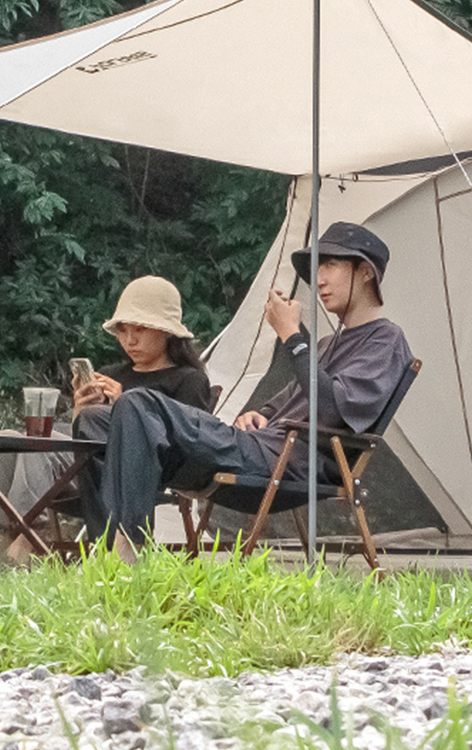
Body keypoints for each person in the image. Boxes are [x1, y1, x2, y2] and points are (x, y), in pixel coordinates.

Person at [75, 221, 413, 562]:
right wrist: (261, 413)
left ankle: (126, 557)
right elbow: (283, 403)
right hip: (258, 448)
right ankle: (102, 552)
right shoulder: (327, 346)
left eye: (331, 264)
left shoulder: (385, 340)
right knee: (93, 421)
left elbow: (331, 410)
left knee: (136, 403)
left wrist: (292, 337)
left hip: (280, 463)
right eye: (317, 266)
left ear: (366, 271)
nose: (319, 278)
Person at [0, 275, 211, 543]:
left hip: (136, 471)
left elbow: (190, 445)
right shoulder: (110, 374)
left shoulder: (187, 379)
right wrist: (79, 409)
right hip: (87, 462)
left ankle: (26, 538)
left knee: (39, 446)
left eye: (139, 330)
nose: (129, 340)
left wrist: (125, 405)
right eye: (123, 331)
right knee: (9, 439)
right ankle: (0, 532)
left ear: (166, 331)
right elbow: (81, 435)